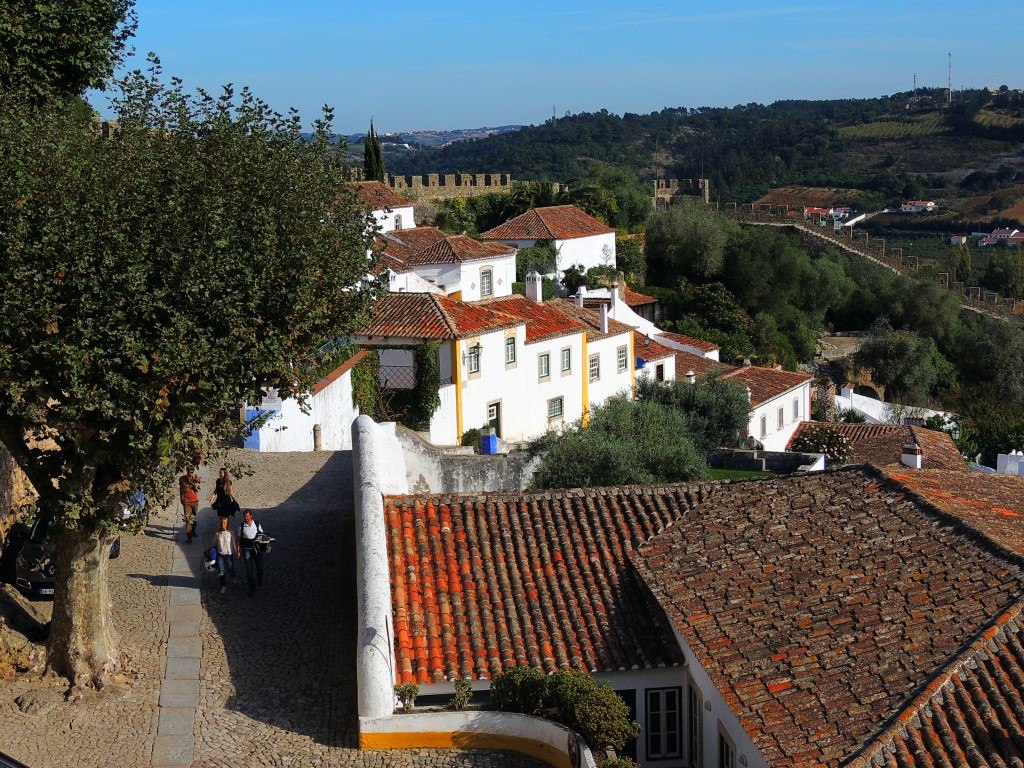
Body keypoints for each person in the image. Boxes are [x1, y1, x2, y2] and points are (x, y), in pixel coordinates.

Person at [238, 508, 265, 596]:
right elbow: (239, 539)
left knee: (260, 568)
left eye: (247, 516)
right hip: (247, 550)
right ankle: (252, 589)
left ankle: (259, 578)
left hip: (257, 550)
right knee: (249, 570)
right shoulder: (241, 526)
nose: (246, 518)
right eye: (245, 516)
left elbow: (262, 535)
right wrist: (238, 550)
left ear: (251, 516)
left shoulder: (256, 524)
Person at [212, 515, 238, 594]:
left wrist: (237, 552)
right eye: (222, 523)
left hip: (229, 554)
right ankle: (223, 585)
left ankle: (233, 576)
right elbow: (214, 544)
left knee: (230, 568)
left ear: (227, 524)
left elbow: (234, 543)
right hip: (220, 554)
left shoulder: (231, 533)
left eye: (224, 523)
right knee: (221, 571)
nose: (223, 525)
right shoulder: (217, 534)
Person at [178, 466, 200, 543]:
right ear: (187, 471)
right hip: (186, 502)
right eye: (190, 472)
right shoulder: (182, 479)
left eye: (192, 472)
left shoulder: (195, 478)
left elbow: (198, 486)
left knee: (194, 518)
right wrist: (181, 498)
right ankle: (189, 537)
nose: (191, 473)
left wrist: (195, 479)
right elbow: (181, 489)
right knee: (188, 519)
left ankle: (193, 531)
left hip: (195, 501)